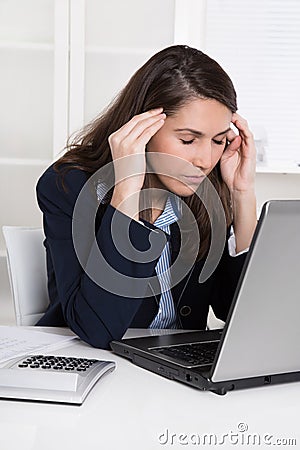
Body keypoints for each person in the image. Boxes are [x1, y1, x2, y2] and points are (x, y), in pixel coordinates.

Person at [36, 45, 257, 349]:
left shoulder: (206, 189)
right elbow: (97, 329)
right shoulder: (68, 186)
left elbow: (238, 312)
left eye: (219, 140)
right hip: (97, 362)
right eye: (188, 140)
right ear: (143, 127)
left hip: (176, 369)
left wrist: (242, 194)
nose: (205, 159)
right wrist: (126, 188)